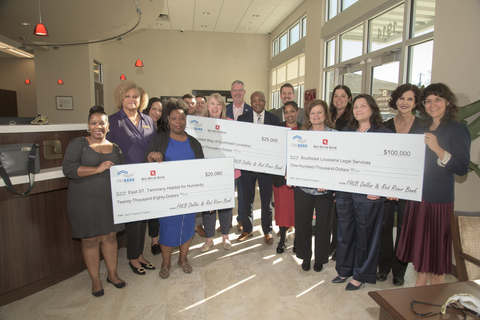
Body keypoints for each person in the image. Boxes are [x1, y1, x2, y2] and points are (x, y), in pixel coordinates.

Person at [397, 83, 470, 287]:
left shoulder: (458, 129)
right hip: (417, 197)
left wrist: (438, 149)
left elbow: (462, 168)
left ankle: (434, 304)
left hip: (438, 200)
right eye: (428, 100)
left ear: (448, 102)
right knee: (421, 258)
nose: (433, 104)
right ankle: (418, 297)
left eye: (438, 99)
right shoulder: (420, 127)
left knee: (436, 259)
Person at [63, 106, 125, 297]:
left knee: (109, 237)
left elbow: (123, 173)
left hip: (110, 201)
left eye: (102, 123)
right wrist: (97, 169)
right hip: (84, 200)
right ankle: (95, 280)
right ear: (88, 126)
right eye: (94, 123)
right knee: (90, 240)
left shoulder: (115, 147)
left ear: (108, 126)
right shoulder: (78, 143)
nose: (98, 126)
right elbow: (69, 169)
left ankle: (112, 275)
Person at [332, 94, 392, 290]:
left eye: (363, 106)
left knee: (365, 235)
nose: (358, 110)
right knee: (344, 232)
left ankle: (361, 274)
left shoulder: (384, 134)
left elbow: (390, 167)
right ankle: (344, 269)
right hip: (345, 192)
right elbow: (337, 160)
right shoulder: (346, 132)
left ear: (372, 109)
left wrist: (382, 190)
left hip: (369, 194)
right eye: (355, 106)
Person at [144, 98, 205, 279]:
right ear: (168, 121)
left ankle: (183, 259)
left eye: (182, 118)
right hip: (167, 196)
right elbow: (145, 165)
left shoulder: (194, 143)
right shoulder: (158, 140)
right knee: (168, 228)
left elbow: (202, 170)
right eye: (174, 119)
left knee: (187, 226)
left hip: (189, 194)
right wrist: (150, 157)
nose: (179, 122)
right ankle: (166, 261)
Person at [106, 81, 157, 275]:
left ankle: (139, 255)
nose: (131, 99)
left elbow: (153, 146)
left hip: (146, 176)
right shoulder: (113, 121)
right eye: (127, 96)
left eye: (135, 96)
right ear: (120, 98)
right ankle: (133, 258)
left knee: (143, 218)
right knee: (133, 220)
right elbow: (107, 150)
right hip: (126, 178)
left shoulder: (148, 120)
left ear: (141, 99)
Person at [377, 84, 422, 286]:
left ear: (415, 103)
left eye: (410, 99)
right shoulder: (385, 127)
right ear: (395, 100)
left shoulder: (423, 127)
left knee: (404, 229)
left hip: (410, 188)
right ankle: (383, 267)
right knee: (384, 228)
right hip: (387, 186)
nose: (404, 102)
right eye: (401, 98)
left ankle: (399, 271)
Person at [294, 100, 336, 272]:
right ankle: (305, 256)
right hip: (304, 187)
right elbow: (295, 157)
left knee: (324, 225)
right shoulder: (301, 135)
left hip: (326, 190)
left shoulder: (336, 135)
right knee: (302, 222)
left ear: (326, 115)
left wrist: (331, 183)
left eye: (320, 112)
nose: (316, 116)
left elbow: (339, 162)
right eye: (313, 113)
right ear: (308, 117)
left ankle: (320, 258)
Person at [237, 91, 280, 244]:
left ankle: (267, 231)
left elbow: (277, 145)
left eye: (260, 100)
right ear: (250, 102)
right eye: (254, 101)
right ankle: (247, 230)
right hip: (247, 168)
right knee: (247, 199)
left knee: (266, 201)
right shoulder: (242, 119)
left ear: (265, 101)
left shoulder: (274, 120)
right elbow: (239, 143)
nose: (257, 103)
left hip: (267, 169)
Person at [199, 93, 234, 252]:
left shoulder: (231, 124)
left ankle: (226, 237)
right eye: (212, 104)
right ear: (207, 106)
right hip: (207, 171)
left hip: (226, 171)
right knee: (208, 206)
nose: (215, 107)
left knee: (225, 205)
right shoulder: (199, 124)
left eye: (218, 104)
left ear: (223, 108)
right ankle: (209, 239)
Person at [328, 85, 354, 261]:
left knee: (342, 212)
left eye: (343, 96)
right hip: (329, 167)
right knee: (332, 211)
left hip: (342, 168)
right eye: (336, 96)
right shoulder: (329, 115)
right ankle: (333, 242)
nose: (339, 99)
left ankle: (341, 247)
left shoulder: (352, 119)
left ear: (349, 98)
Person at [272, 100, 301, 254]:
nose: (289, 115)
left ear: (297, 112)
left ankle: (297, 241)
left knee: (297, 211)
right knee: (282, 211)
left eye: (292, 111)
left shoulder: (305, 129)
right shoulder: (277, 130)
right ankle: (282, 240)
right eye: (286, 112)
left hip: (299, 180)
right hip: (280, 179)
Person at [226, 80, 253, 233]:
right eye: (234, 90)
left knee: (243, 194)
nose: (237, 93)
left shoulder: (251, 110)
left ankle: (241, 220)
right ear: (231, 93)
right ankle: (226, 220)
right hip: (228, 159)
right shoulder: (224, 110)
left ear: (244, 92)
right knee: (228, 191)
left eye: (240, 90)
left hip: (245, 159)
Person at [142, 97, 164, 256]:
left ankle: (163, 238)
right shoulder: (140, 127)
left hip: (162, 171)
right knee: (152, 209)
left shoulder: (163, 128)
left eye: (160, 110)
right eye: (154, 109)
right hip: (145, 171)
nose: (157, 113)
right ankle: (154, 240)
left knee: (161, 207)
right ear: (147, 109)